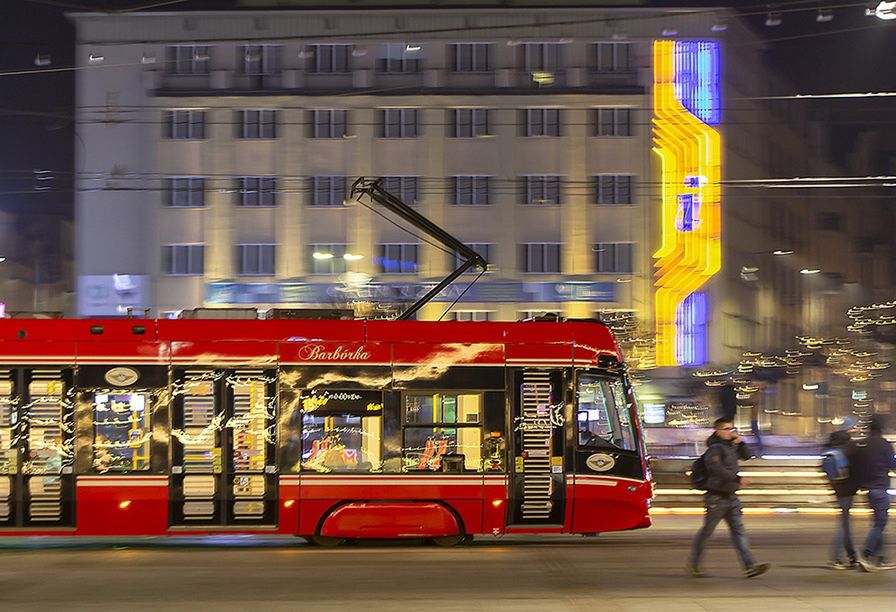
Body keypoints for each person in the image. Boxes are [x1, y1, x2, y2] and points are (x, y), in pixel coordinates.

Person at [687, 417, 770, 578]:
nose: (730, 432)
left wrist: (740, 442)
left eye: (732, 429)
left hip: (731, 497)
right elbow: (716, 469)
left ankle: (749, 566)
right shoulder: (715, 449)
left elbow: (747, 456)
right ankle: (694, 565)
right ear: (717, 431)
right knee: (707, 532)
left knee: (739, 532)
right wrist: (737, 479)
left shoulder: (731, 446)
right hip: (716, 498)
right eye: (727, 429)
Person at [853, 414, 896, 572]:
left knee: (878, 523)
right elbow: (893, 465)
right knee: (880, 523)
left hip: (868, 489)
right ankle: (866, 554)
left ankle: (881, 559)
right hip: (880, 488)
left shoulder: (863, 444)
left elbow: (858, 466)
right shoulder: (884, 444)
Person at [823, 417, 859, 570]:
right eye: (853, 427)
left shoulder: (832, 442)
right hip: (847, 487)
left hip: (837, 486)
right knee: (843, 524)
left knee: (845, 522)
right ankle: (836, 558)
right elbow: (856, 467)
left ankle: (852, 557)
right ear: (849, 429)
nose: (855, 430)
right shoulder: (850, 445)